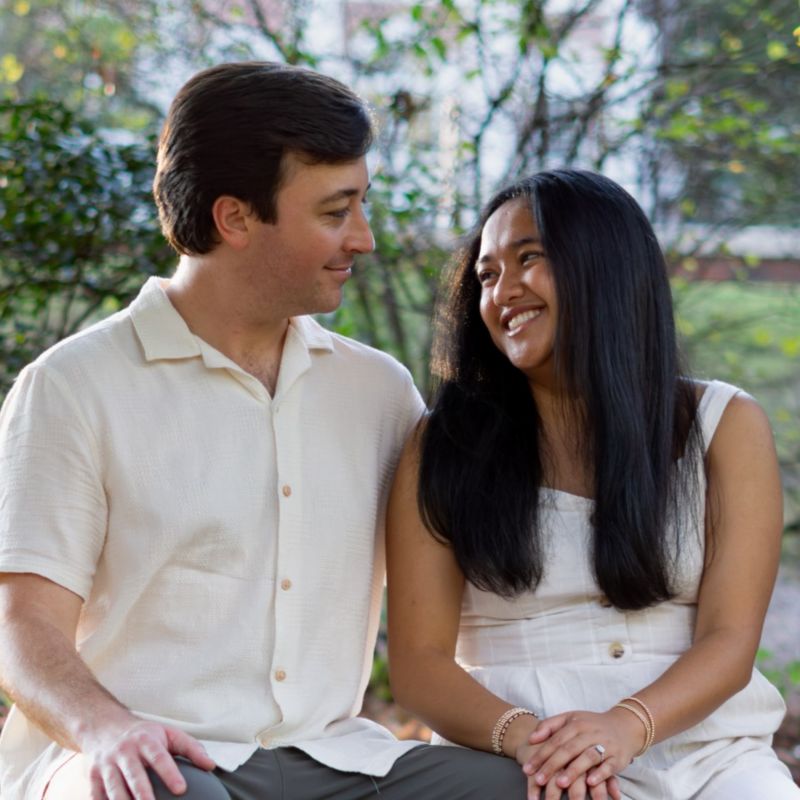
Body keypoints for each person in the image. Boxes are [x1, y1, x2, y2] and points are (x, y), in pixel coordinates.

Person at [0, 61, 532, 800]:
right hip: (149, 757)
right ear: (236, 219)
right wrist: (107, 730)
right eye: (336, 212)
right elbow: (22, 626)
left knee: (519, 790)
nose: (364, 238)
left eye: (362, 205)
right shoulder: (73, 387)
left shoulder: (378, 393)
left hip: (334, 760)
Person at [386, 169, 800, 800]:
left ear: (606, 266)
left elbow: (730, 640)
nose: (503, 291)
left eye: (530, 257)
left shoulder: (723, 426)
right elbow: (419, 666)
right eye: (487, 275)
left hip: (705, 754)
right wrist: (536, 745)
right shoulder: (443, 445)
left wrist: (625, 726)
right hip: (518, 757)